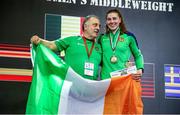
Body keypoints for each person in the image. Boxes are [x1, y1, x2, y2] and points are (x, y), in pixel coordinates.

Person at [31, 15, 102, 80]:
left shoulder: (99, 47)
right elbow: (51, 45)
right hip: (70, 85)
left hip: (91, 88)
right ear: (86, 26)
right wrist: (39, 41)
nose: (98, 28)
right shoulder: (72, 40)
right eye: (95, 25)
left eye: (99, 26)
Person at [99, 9, 144, 80]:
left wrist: (140, 68)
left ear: (120, 20)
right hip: (106, 79)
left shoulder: (129, 36)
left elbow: (138, 55)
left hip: (123, 78)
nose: (112, 21)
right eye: (109, 19)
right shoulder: (101, 38)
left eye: (114, 19)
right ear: (106, 22)